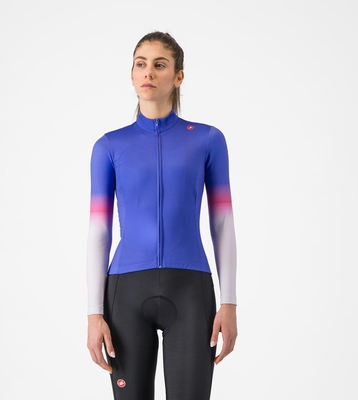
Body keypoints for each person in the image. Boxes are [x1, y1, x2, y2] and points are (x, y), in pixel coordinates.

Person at [86, 31, 237, 400]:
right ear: (132, 74)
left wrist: (229, 303)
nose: (148, 72)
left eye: (159, 64)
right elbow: (99, 231)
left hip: (191, 292)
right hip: (125, 293)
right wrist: (93, 313)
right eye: (141, 64)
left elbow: (222, 224)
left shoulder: (207, 140)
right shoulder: (109, 146)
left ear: (178, 76)